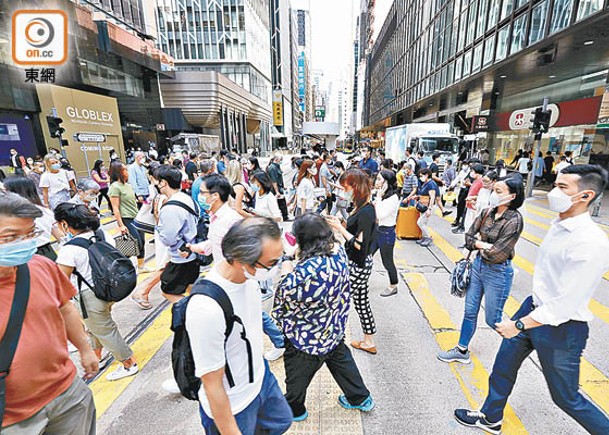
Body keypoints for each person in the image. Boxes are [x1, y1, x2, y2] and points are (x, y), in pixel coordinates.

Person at [454, 165, 609, 435]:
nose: (554, 192)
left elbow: (565, 304)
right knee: (503, 367)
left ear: (585, 196)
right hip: (533, 308)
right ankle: (491, 417)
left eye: (562, 188)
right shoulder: (559, 224)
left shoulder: (590, 242)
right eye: (555, 184)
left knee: (566, 397)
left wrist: (520, 325)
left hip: (561, 326)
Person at [0, 191, 98, 434]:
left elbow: (65, 307)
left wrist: (85, 349)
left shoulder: (41, 266)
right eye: (11, 237)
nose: (24, 244)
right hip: (11, 418)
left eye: (30, 233)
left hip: (67, 395)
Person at [186, 217, 293, 434]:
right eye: (272, 263)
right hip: (233, 405)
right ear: (240, 259)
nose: (277, 268)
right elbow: (212, 384)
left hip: (261, 380)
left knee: (283, 421)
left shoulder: (249, 280)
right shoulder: (206, 308)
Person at [274, 213, 375, 422]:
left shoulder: (306, 272)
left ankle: (295, 409)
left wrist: (286, 258)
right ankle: (360, 398)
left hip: (307, 337)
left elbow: (284, 291)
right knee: (342, 362)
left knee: (297, 377)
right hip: (333, 327)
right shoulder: (338, 252)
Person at [438, 175, 524, 364]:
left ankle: (520, 344)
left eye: (499, 191)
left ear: (512, 196)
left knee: (493, 319)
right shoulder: (487, 212)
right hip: (477, 267)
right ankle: (461, 350)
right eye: (494, 190)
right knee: (470, 312)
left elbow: (498, 254)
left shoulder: (515, 220)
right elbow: (468, 237)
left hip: (498, 273)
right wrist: (482, 245)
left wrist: (478, 245)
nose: (493, 194)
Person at [54, 203, 139, 381]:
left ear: (64, 224)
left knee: (105, 330)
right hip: (108, 290)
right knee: (95, 327)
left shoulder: (69, 250)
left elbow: (60, 280)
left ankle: (129, 363)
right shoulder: (103, 235)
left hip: (88, 297)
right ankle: (97, 358)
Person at [326, 168, 378, 354]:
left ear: (355, 187)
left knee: (339, 299)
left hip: (358, 264)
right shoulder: (362, 207)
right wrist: (341, 224)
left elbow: (359, 245)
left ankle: (334, 340)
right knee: (361, 302)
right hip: (361, 263)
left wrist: (340, 228)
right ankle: (368, 341)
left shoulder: (366, 211)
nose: (343, 191)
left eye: (345, 187)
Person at [155, 165, 200, 303]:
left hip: (180, 258)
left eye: (157, 181)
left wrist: (158, 229)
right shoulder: (187, 199)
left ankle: (192, 312)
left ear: (163, 182)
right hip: (192, 253)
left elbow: (168, 239)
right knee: (191, 287)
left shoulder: (170, 208)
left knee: (168, 291)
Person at [3, 176, 62, 261]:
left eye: (5, 191)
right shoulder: (44, 211)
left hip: (27, 256)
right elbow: (59, 235)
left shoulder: (12, 214)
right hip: (48, 253)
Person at [108, 161, 149, 273]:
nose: (127, 172)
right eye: (124, 170)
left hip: (137, 217)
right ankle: (120, 265)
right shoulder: (114, 187)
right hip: (127, 218)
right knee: (135, 242)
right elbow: (115, 208)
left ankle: (141, 267)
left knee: (141, 241)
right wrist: (121, 225)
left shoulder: (128, 185)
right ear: (118, 173)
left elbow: (133, 201)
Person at [371, 170, 400, 297]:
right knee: (366, 254)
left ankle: (393, 285)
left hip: (386, 233)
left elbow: (380, 214)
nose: (376, 182)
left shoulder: (393, 198)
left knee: (387, 262)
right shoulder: (382, 194)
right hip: (377, 230)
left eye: (379, 179)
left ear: (386, 182)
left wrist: (377, 198)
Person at [459, 163, 486, 234]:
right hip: (469, 205)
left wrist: (472, 199)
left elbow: (482, 195)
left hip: (474, 207)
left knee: (472, 226)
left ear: (477, 171)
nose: (471, 173)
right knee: (467, 225)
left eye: (472, 171)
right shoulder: (475, 181)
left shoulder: (482, 182)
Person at [415, 168, 438, 247]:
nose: (420, 177)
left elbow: (432, 197)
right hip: (423, 206)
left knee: (420, 222)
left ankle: (428, 237)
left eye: (421, 175)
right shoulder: (425, 183)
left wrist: (429, 209)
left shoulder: (431, 184)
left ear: (427, 175)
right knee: (423, 222)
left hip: (427, 207)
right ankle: (424, 237)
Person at [267, 154, 290, 221]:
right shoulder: (272, 168)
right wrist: (277, 191)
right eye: (280, 160)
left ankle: (284, 216)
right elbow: (274, 181)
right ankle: (284, 216)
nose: (281, 161)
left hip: (279, 187)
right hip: (276, 188)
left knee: (281, 203)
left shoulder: (277, 166)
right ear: (276, 160)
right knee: (280, 203)